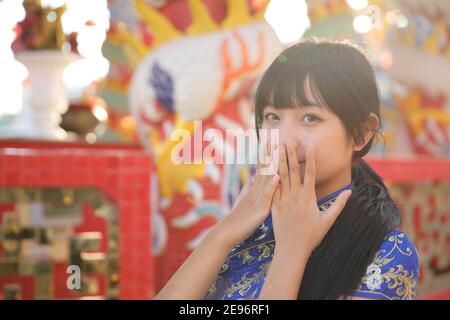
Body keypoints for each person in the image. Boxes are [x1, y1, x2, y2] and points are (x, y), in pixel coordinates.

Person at [154, 37, 419, 300]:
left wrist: (292, 250)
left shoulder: (386, 253)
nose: (283, 138)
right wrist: (223, 233)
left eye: (310, 118)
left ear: (362, 133)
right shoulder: (248, 228)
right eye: (272, 117)